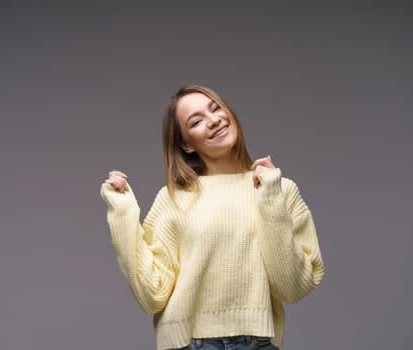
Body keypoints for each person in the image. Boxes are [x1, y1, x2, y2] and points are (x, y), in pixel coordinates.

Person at [100, 85, 324, 350]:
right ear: (186, 144)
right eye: (196, 121)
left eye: (215, 108)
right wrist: (122, 211)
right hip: (189, 343)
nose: (213, 120)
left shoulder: (279, 189)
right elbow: (152, 295)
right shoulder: (173, 198)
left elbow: (293, 288)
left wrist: (271, 198)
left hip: (258, 342)